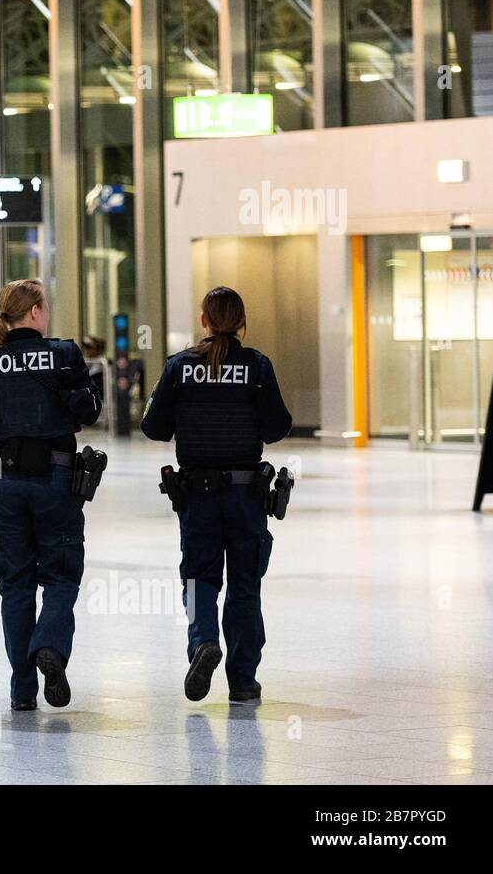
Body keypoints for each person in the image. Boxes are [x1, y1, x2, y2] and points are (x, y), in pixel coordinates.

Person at [0, 278, 102, 711]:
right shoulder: (63, 356)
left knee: (15, 585)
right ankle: (51, 646)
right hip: (56, 479)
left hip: (6, 481)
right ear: (35, 312)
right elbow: (89, 411)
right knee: (60, 575)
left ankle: (22, 691)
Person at [140, 286, 292, 704]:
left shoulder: (179, 367)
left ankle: (203, 641)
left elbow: (153, 428)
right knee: (245, 584)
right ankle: (242, 682)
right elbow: (278, 427)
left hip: (197, 495)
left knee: (198, 578)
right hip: (246, 495)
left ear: (204, 321)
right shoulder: (257, 367)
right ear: (241, 323)